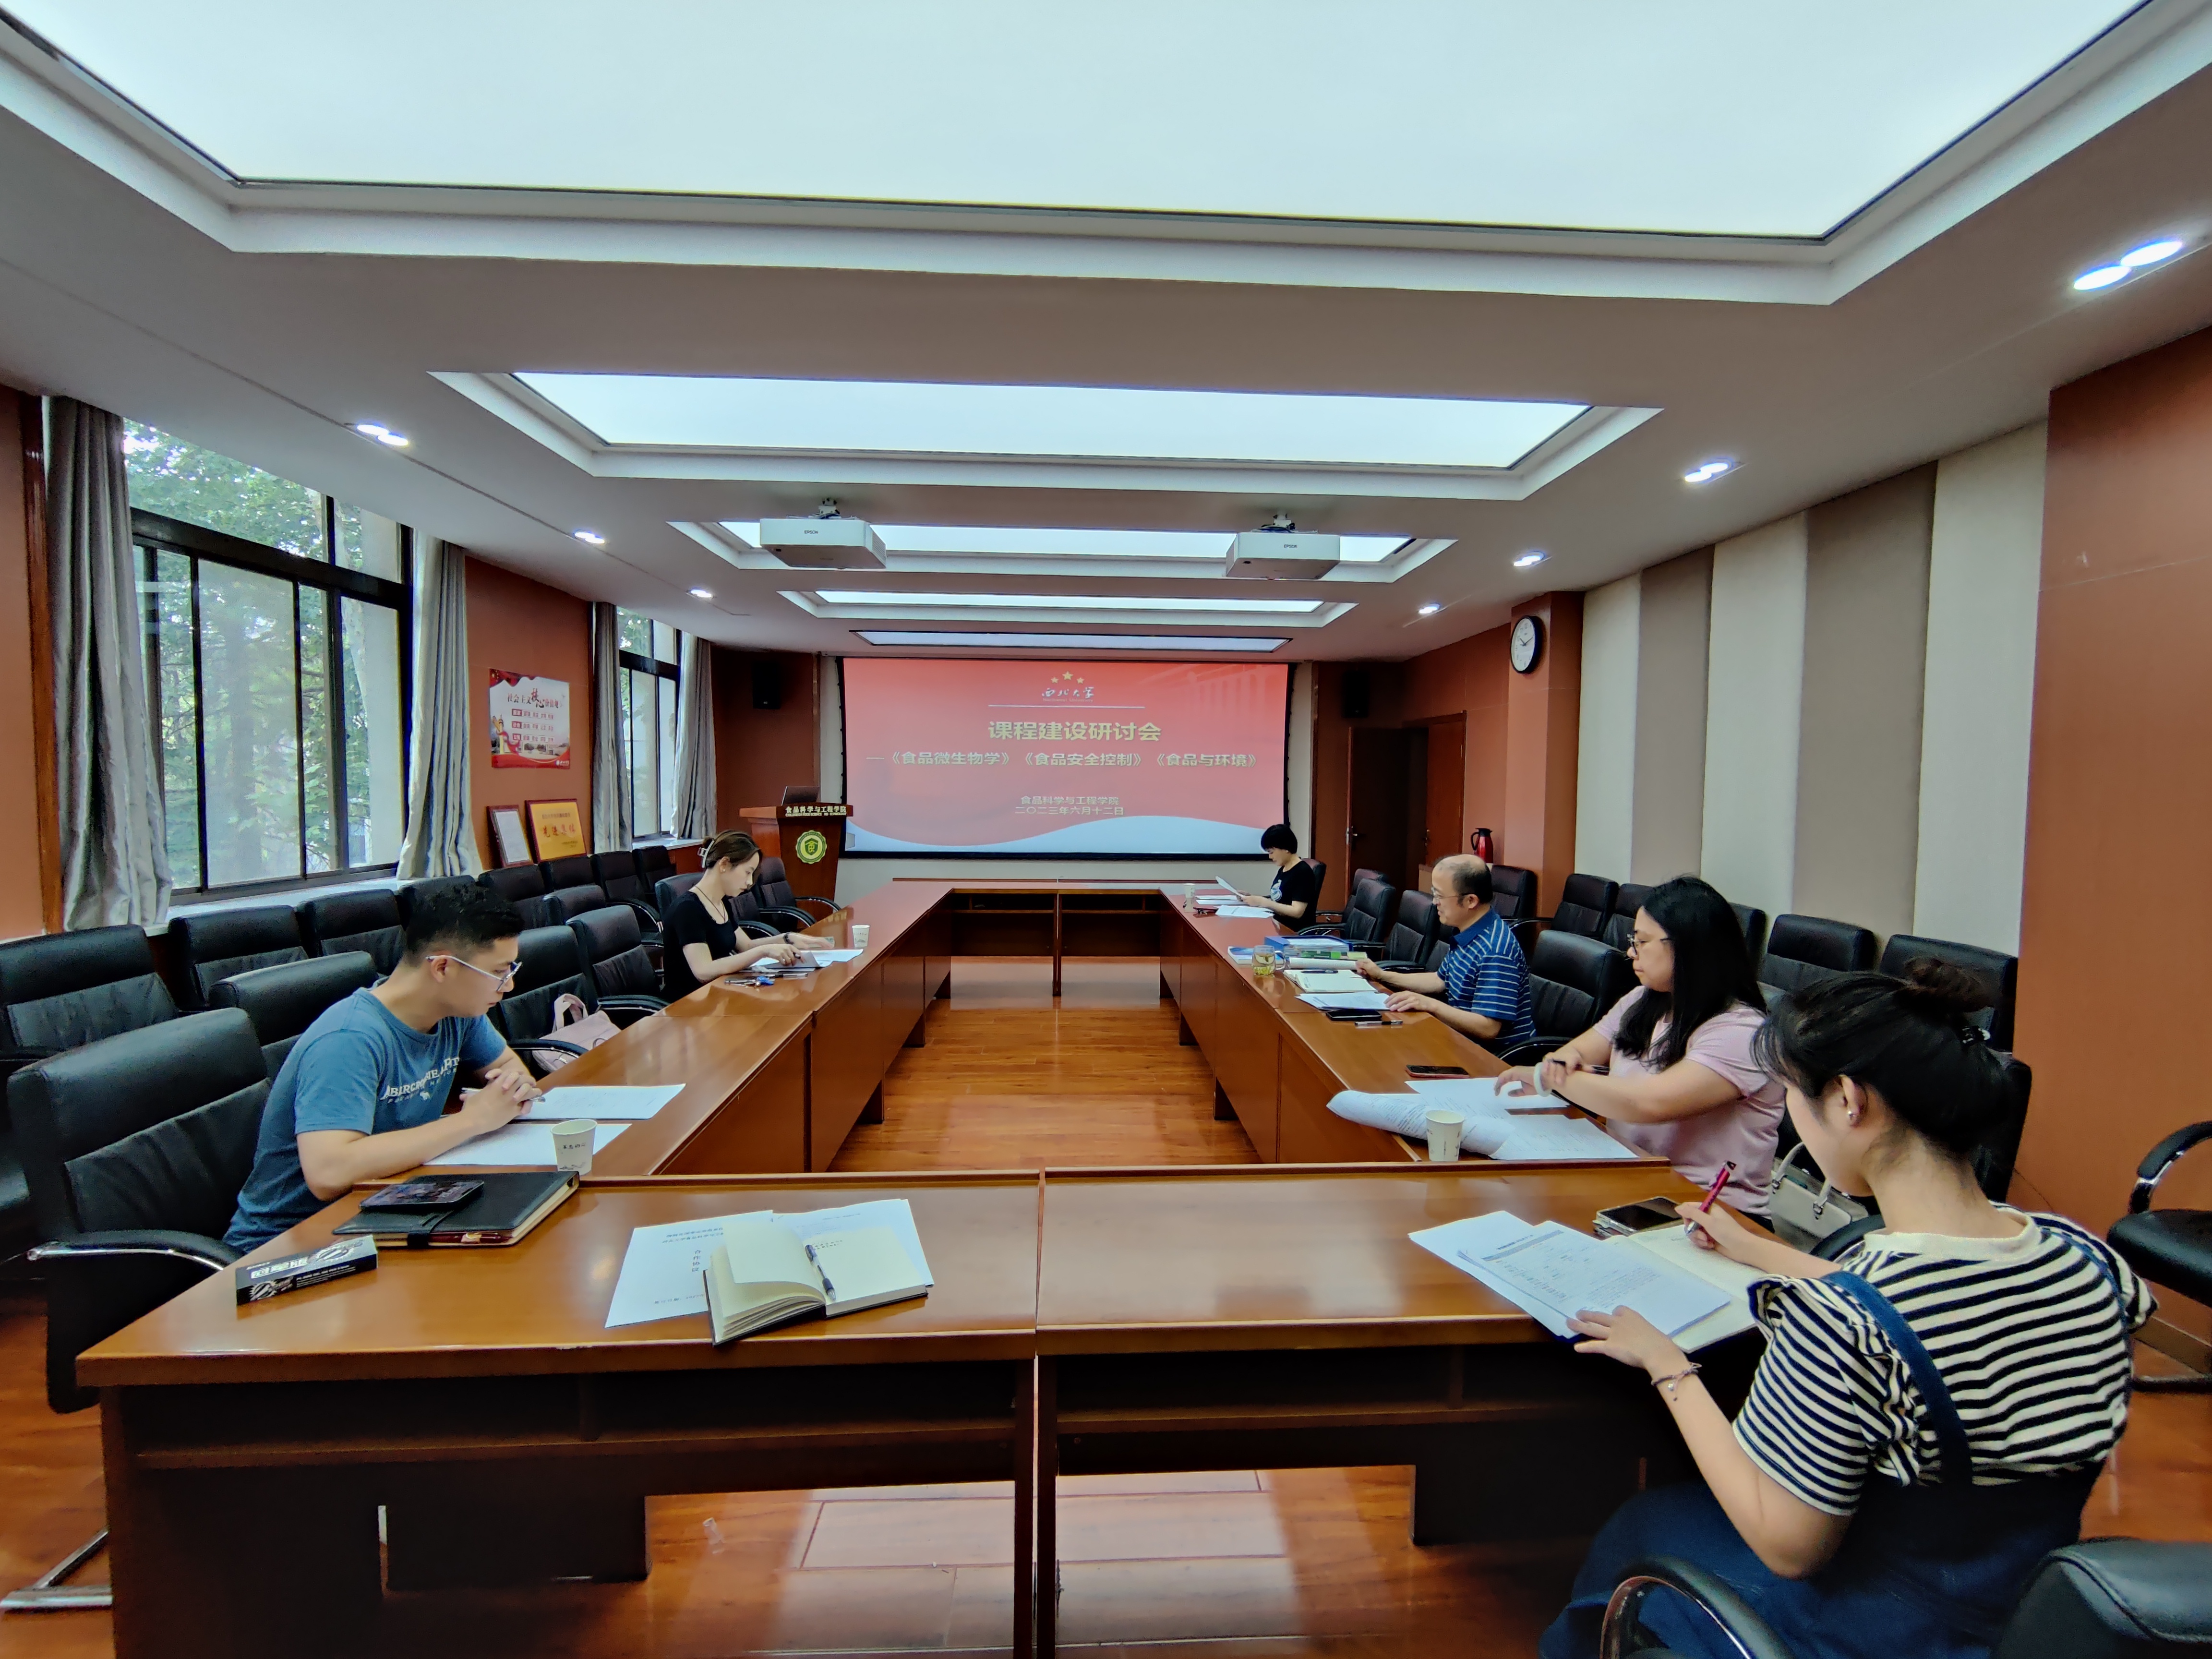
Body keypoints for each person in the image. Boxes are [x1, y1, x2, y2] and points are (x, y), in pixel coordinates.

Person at [1539, 961, 2151, 1659]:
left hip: (1877, 1629)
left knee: (1645, 1523)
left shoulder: (1841, 1322)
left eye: (1792, 1095)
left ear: (1848, 1101)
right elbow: (1940, 1311)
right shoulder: (2092, 1261)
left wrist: (1668, 1365)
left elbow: (1788, 1547)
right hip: (2029, 1614)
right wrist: (1758, 1249)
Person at [224, 885, 543, 1252]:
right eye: (500, 972)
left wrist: (511, 1091)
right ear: (443, 967)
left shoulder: (458, 1013)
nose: (509, 985)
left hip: (386, 1208)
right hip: (292, 1243)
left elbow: (512, 1071)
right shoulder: (349, 1038)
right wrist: (472, 1121)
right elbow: (329, 1173)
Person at [1498, 876, 1780, 1210]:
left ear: (1689, 947)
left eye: (1643, 942)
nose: (1631, 951)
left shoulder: (1742, 1031)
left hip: (1705, 1206)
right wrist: (1561, 1065)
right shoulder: (1644, 999)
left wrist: (1552, 1077)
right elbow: (1577, 1051)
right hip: (1635, 1176)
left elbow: (1647, 1104)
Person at [1354, 854, 1536, 1050]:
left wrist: (1430, 1005)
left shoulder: (1495, 950)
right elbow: (1441, 980)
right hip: (1460, 1039)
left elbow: (1488, 1028)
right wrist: (1382, 975)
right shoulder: (1468, 930)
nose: (1434, 903)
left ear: (1470, 901)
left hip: (1492, 1056)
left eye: (1440, 896)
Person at [662, 830, 834, 1000]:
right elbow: (703, 971)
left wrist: (788, 938)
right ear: (724, 864)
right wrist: (765, 951)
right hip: (688, 1004)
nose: (750, 882)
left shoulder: (721, 903)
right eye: (747, 872)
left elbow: (747, 946)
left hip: (718, 995)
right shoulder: (688, 909)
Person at [1235, 823, 1319, 923]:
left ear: (1286, 848)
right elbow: (1280, 901)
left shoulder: (1302, 872)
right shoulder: (1284, 869)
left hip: (1291, 929)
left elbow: (1297, 912)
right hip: (1277, 923)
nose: (1270, 857)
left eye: (1271, 852)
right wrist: (1252, 898)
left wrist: (1264, 902)